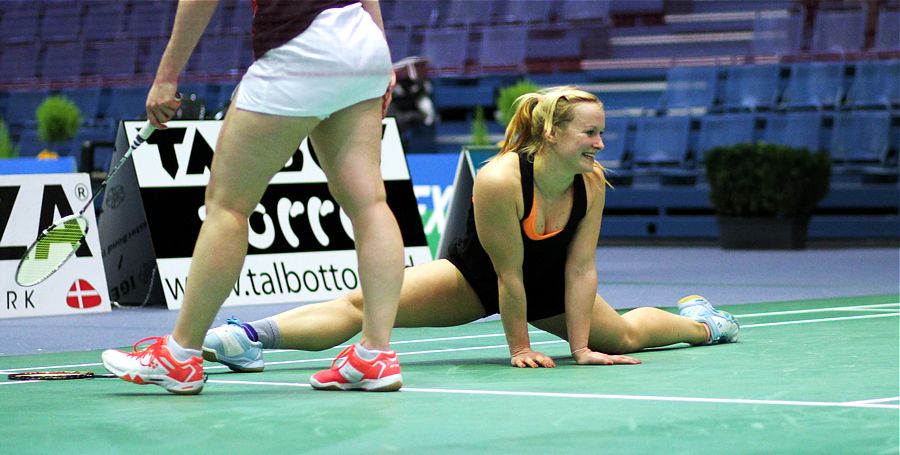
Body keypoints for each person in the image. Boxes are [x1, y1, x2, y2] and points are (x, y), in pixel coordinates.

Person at [201, 86, 740, 373]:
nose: (600, 144)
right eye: (590, 133)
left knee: (624, 336)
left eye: (602, 133)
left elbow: (580, 269)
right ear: (552, 134)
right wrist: (519, 346)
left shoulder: (590, 183)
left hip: (553, 287)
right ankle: (247, 337)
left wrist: (579, 348)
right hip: (475, 278)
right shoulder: (501, 179)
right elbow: (507, 275)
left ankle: (705, 323)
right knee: (366, 304)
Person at [101, 0, 405, 394]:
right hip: (361, 40)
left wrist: (166, 76)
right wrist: (379, 51)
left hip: (300, 45)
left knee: (228, 206)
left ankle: (179, 355)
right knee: (369, 204)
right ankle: (375, 355)